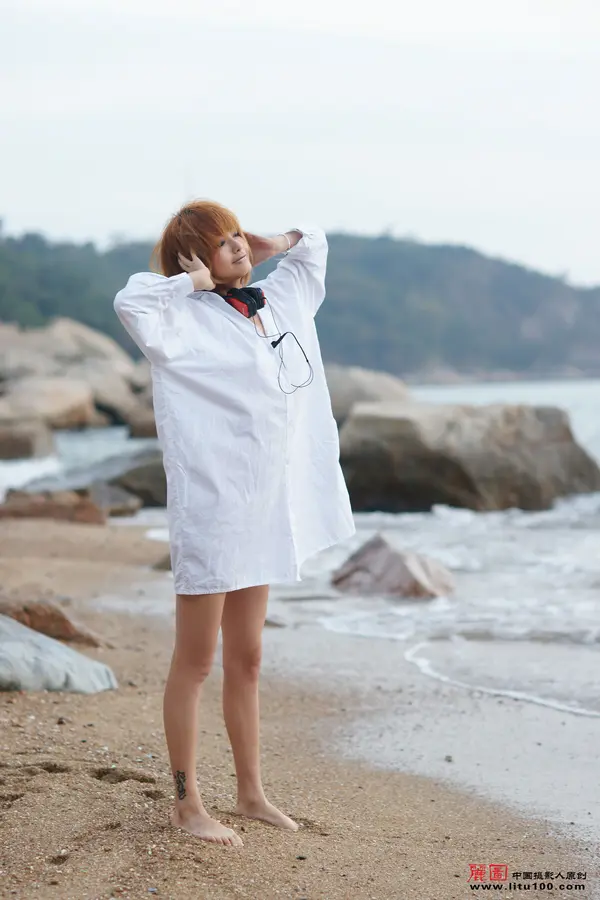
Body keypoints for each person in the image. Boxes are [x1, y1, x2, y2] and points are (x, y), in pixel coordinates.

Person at [113, 200, 356, 847]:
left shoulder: (280, 302)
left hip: (268, 511)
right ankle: (187, 803)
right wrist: (190, 282)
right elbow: (131, 302)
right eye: (220, 242)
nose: (236, 247)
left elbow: (315, 243)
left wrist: (271, 240)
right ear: (194, 260)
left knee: (247, 659)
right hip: (215, 511)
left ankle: (251, 794)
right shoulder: (179, 320)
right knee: (196, 661)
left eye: (233, 235)